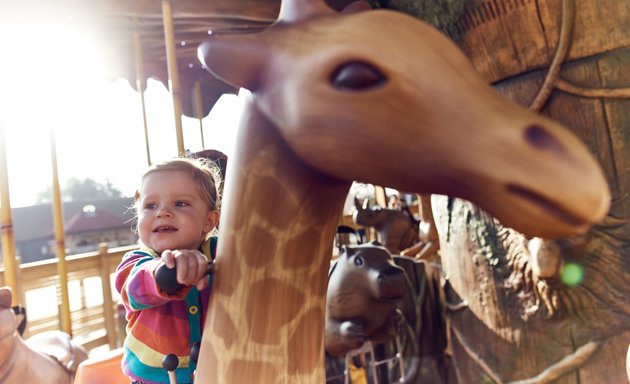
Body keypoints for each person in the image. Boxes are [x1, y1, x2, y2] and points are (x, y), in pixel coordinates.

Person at [115, 157, 222, 384]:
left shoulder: (222, 253)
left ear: (209, 220)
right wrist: (165, 273)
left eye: (180, 203)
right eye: (150, 206)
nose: (162, 212)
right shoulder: (136, 263)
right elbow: (135, 287)